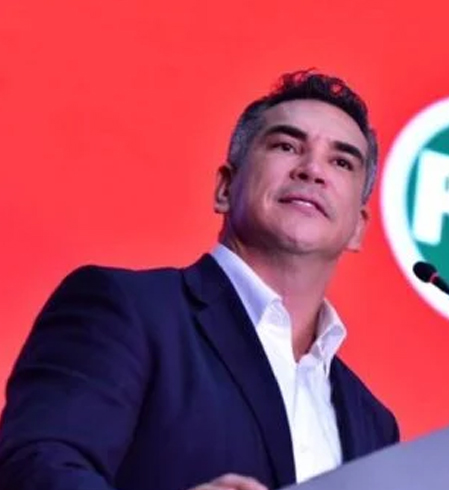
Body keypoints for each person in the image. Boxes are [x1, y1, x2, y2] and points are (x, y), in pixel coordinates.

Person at [0, 69, 399, 490]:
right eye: (286, 145)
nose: (312, 170)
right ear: (225, 188)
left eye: (341, 162)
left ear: (358, 228)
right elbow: (36, 469)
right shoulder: (125, 310)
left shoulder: (374, 424)